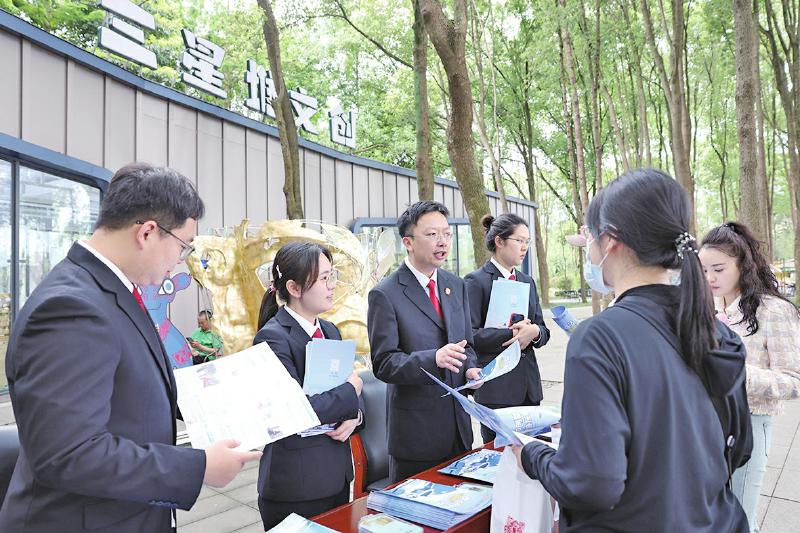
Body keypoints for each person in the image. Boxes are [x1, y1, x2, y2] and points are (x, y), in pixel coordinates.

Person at [0, 163, 261, 532]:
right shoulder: (71, 307)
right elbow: (69, 454)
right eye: (183, 246)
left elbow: (132, 385)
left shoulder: (111, 290)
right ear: (148, 232)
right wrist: (199, 467)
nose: (180, 261)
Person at [512, 168, 750, 531]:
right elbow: (739, 448)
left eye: (590, 238)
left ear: (610, 241)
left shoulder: (599, 337)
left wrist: (532, 455)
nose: (589, 251)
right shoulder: (713, 330)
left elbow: (590, 484)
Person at [368, 200, 482, 483]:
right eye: (432, 235)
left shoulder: (456, 285)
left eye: (446, 234)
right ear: (407, 242)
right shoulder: (385, 294)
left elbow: (467, 345)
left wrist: (471, 369)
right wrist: (434, 359)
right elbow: (384, 363)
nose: (442, 241)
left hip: (458, 429)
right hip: (416, 437)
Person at [253, 242, 364, 529]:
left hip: (336, 476)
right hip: (296, 484)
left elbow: (348, 392)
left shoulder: (329, 330)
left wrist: (355, 416)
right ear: (294, 287)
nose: (332, 285)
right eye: (324, 278)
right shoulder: (272, 338)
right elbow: (295, 410)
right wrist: (352, 391)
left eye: (332, 275)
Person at [700, 222, 800, 532]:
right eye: (704, 270)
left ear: (743, 265)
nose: (710, 278)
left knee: (740, 517)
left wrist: (738, 373)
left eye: (718, 269)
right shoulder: (708, 308)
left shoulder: (773, 310)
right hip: (705, 424)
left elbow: (794, 380)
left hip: (751, 424)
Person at [464, 213, 550, 443]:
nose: (524, 247)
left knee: (532, 454)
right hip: (496, 389)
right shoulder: (476, 281)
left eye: (527, 242)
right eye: (519, 240)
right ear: (499, 241)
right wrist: (511, 334)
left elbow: (543, 330)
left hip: (529, 388)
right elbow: (470, 335)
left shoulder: (527, 281)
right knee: (498, 455)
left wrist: (535, 332)